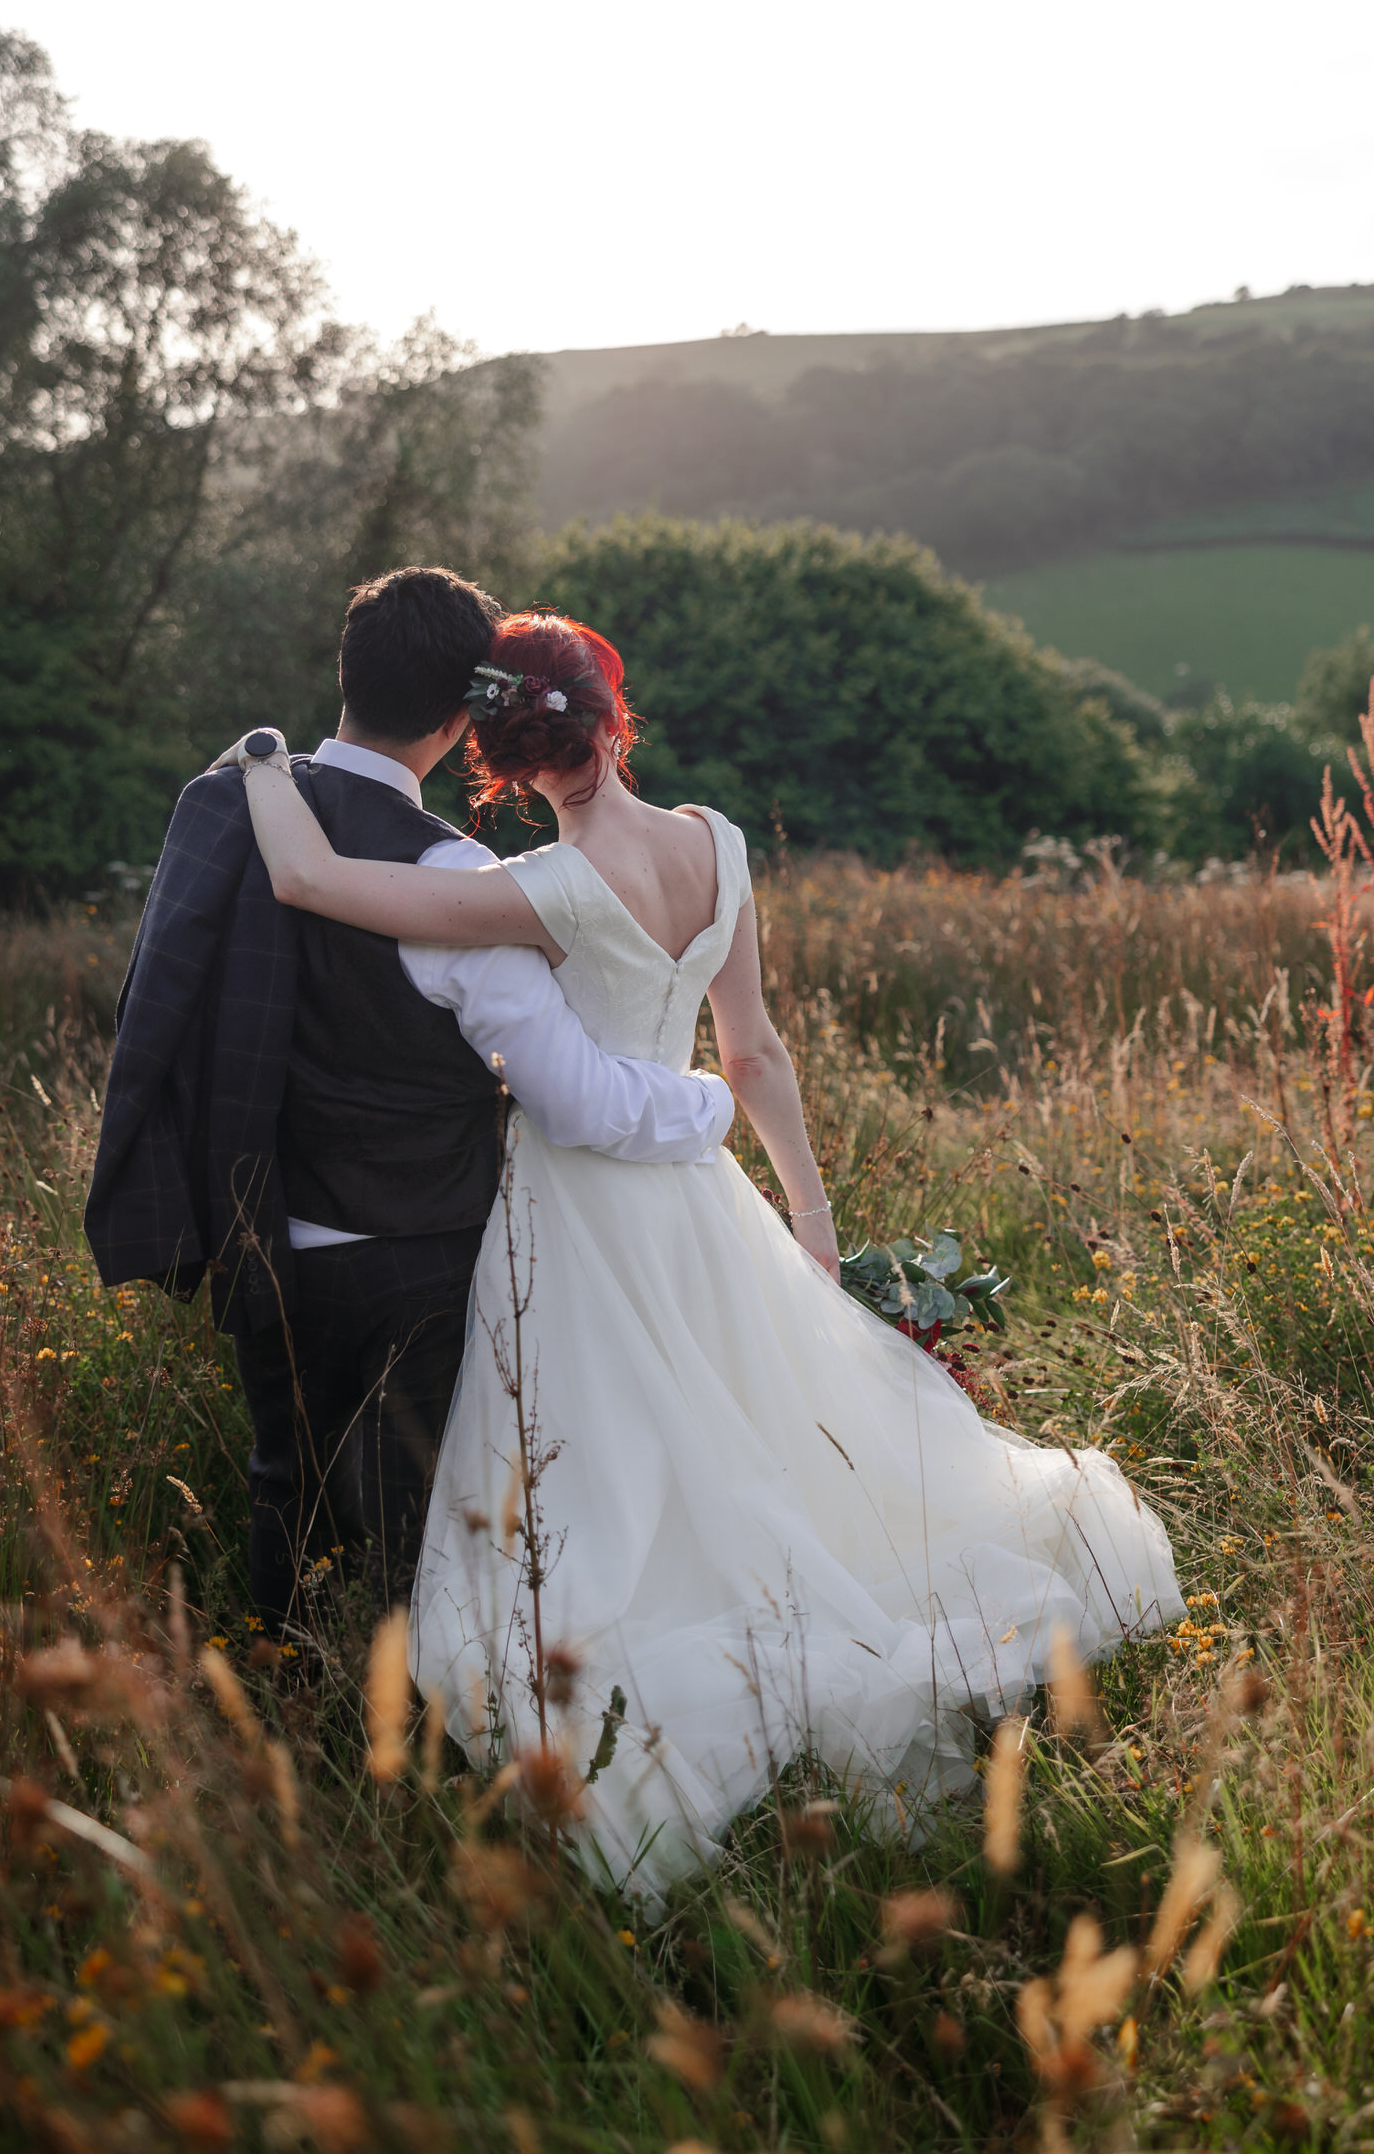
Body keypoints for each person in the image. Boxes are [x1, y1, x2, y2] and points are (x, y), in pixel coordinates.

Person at [215, 610, 1184, 1902]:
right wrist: (809, 1209)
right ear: (616, 718)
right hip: (702, 1198)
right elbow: (755, 1053)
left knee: (609, 1453)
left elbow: (310, 883)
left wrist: (267, 770)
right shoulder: (720, 845)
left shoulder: (541, 893)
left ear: (497, 766)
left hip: (578, 1210)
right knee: (748, 1426)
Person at [88, 568, 734, 1640]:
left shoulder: (229, 804)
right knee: (407, 1513)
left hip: (259, 1220)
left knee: (281, 1478)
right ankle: (395, 1735)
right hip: (419, 1244)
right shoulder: (457, 877)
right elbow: (570, 1098)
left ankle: (290, 1687)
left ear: (346, 676)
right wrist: (705, 1107)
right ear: (457, 717)